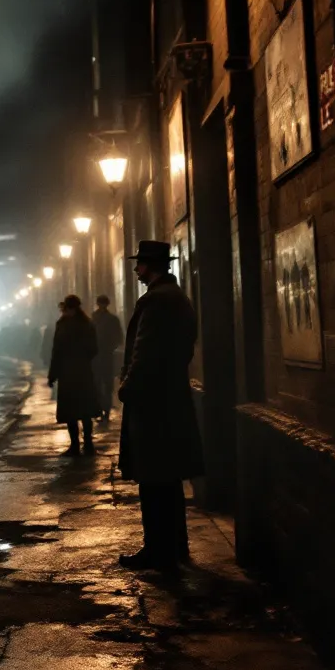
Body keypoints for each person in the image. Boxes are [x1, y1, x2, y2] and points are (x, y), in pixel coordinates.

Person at [117, 240, 204, 572]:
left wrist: (128, 387)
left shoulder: (155, 301)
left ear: (148, 265)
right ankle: (176, 546)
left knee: (152, 480)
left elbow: (144, 351)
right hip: (171, 397)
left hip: (152, 404)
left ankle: (157, 550)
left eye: (139, 264)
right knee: (169, 481)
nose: (136, 270)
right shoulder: (177, 298)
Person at [48, 294, 100, 456]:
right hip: (83, 372)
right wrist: (83, 360)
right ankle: (88, 444)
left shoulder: (62, 325)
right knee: (84, 410)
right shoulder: (87, 324)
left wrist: (53, 374)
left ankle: (75, 445)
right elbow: (94, 349)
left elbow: (56, 352)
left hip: (67, 373)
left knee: (71, 412)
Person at [91, 294, 125, 424]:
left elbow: (118, 337)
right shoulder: (108, 319)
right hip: (103, 356)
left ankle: (104, 410)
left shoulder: (96, 319)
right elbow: (118, 337)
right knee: (103, 384)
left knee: (103, 384)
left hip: (102, 356)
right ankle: (103, 410)